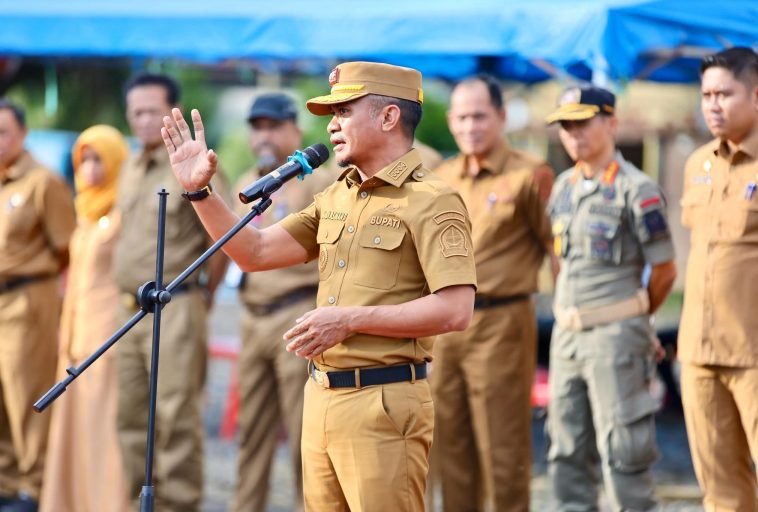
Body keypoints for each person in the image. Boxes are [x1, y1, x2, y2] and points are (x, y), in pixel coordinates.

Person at [159, 61, 477, 512]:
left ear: (388, 117)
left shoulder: (432, 200)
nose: (331, 126)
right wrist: (200, 193)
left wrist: (349, 320)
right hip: (323, 395)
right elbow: (255, 252)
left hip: (383, 403)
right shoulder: (335, 196)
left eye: (344, 112)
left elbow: (456, 310)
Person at [545, 85, 676, 511]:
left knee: (624, 454)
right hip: (567, 339)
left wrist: (636, 319)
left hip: (616, 337)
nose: (573, 133)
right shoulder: (563, 186)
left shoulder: (637, 190)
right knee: (565, 452)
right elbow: (558, 259)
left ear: (612, 123)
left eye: (583, 122)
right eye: (566, 125)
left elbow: (664, 271)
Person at [430, 74, 554, 512]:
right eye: (461, 117)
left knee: (502, 451)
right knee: (451, 449)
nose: (470, 127)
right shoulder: (441, 179)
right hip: (444, 329)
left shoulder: (530, 175)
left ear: (501, 116)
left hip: (502, 323)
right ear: (449, 121)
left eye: (480, 116)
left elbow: (556, 249)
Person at [112, 73, 229, 512]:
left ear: (172, 111)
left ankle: (178, 506)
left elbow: (221, 241)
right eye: (134, 112)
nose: (141, 121)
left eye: (150, 111)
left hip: (175, 307)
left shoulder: (191, 164)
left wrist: (202, 296)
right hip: (129, 312)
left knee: (175, 420)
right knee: (129, 421)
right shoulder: (131, 164)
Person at [230, 92, 334, 512]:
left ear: (295, 129)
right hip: (252, 316)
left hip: (297, 314)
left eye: (274, 125)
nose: (264, 135)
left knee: (304, 436)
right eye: (257, 127)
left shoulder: (317, 182)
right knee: (250, 434)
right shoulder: (245, 184)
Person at [679, 46, 758, 512]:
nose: (712, 104)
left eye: (724, 94)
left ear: (757, 95)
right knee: (721, 492)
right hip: (699, 352)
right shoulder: (698, 164)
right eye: (706, 94)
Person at [40, 125, 130, 512]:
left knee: (101, 432)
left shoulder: (125, 212)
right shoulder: (84, 211)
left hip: (106, 337)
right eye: (84, 160)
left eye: (98, 159)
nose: (91, 169)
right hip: (74, 336)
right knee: (73, 430)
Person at [0, 99, 76, 512]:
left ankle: (33, 486)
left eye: (3, 132)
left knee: (26, 393)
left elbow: (67, 247)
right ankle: (6, 481)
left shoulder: (43, 182)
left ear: (22, 134)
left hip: (28, 300)